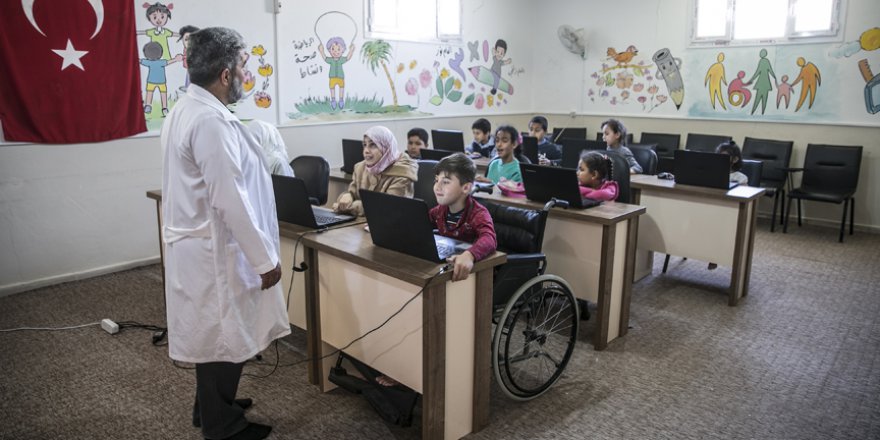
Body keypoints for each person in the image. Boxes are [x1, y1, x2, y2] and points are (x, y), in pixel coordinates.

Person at [161, 27, 288, 440]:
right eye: (243, 67)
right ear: (226, 74)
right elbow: (230, 198)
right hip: (215, 249)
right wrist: (264, 260)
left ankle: (212, 407)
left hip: (203, 244)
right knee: (222, 335)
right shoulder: (208, 120)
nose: (247, 75)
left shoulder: (189, 108)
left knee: (216, 334)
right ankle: (223, 427)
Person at [376, 153, 497, 388]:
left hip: (467, 279)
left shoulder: (478, 213)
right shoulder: (439, 211)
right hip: (443, 274)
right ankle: (402, 365)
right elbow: (416, 224)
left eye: (446, 181)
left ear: (466, 187)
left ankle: (413, 371)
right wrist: (388, 226)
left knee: (417, 310)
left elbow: (489, 239)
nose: (437, 186)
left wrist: (470, 254)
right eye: (436, 180)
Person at [333, 126, 418, 217]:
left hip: (389, 224)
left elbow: (387, 208)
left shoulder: (403, 173)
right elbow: (352, 193)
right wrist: (347, 196)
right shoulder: (360, 168)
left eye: (373, 145)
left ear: (386, 147)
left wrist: (348, 207)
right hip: (361, 223)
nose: (366, 151)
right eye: (364, 145)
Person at [140, 41, 182, 116]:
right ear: (160, 53)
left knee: (150, 93)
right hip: (160, 82)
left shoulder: (149, 62)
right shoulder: (161, 62)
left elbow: (140, 61)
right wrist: (176, 59)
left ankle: (149, 106)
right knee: (163, 94)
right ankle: (164, 108)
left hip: (152, 81)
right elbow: (169, 62)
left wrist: (176, 59)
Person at [318, 36, 355, 110]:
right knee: (332, 88)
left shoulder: (341, 59)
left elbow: (348, 57)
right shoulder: (330, 60)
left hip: (340, 77)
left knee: (341, 88)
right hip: (332, 77)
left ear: (343, 50)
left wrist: (351, 50)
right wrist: (321, 51)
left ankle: (341, 100)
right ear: (329, 50)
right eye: (333, 49)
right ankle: (333, 100)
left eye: (338, 49)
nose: (335, 52)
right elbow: (325, 58)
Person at [177, 25, 200, 92]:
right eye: (186, 39)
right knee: (188, 76)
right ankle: (188, 87)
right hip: (189, 66)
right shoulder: (185, 49)